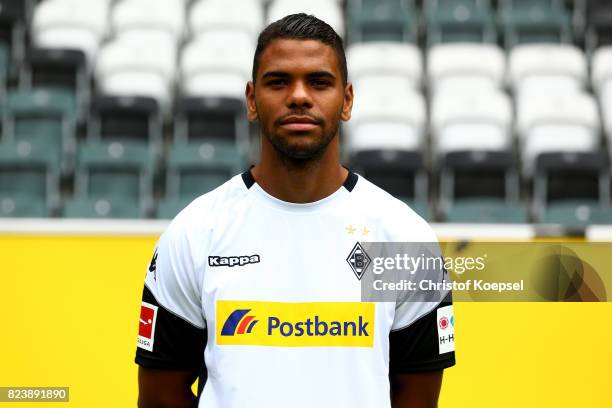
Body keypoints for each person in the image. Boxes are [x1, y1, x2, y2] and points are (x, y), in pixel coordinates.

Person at [135, 13, 455, 408]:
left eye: (319, 82)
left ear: (347, 100)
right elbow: (159, 395)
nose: (299, 96)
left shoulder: (400, 236)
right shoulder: (197, 232)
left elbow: (418, 396)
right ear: (252, 100)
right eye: (279, 81)